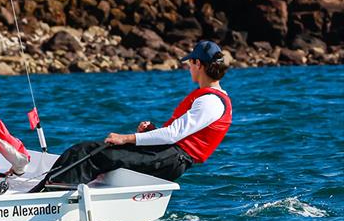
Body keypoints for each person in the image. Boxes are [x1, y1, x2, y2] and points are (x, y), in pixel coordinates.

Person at [31, 40, 232, 192]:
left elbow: (173, 135)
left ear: (198, 63)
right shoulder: (208, 98)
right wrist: (152, 132)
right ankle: (43, 190)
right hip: (166, 153)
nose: (188, 67)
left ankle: (50, 197)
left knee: (96, 155)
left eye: (190, 63)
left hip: (171, 160)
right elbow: (176, 135)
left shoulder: (211, 102)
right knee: (83, 149)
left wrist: (125, 138)